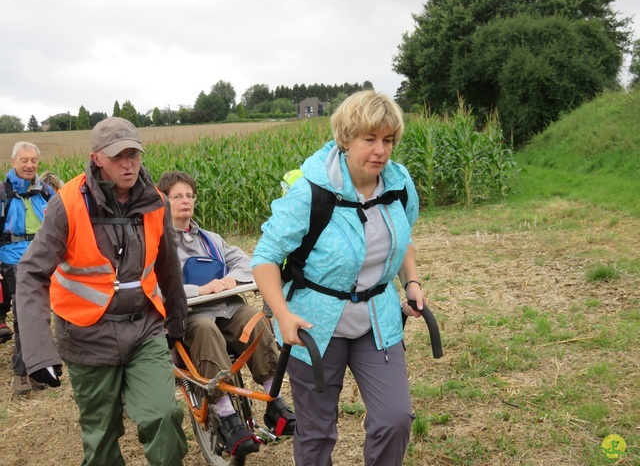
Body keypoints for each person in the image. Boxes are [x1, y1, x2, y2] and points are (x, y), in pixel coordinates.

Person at [251, 90, 425, 466]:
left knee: (394, 419)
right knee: (316, 432)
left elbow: (404, 237)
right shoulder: (311, 191)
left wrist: (411, 283)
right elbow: (264, 258)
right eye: (370, 139)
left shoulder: (398, 184)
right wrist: (282, 314)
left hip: (377, 320)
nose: (380, 150)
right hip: (314, 324)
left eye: (388, 140)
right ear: (345, 140)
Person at [15, 117, 189, 466]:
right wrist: (38, 354)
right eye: (117, 156)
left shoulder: (156, 202)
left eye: (134, 155)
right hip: (86, 337)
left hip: (144, 329)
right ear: (97, 158)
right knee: (101, 439)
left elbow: (167, 267)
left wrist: (178, 322)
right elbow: (31, 274)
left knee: (164, 415)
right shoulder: (67, 204)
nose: (128, 164)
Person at [156, 170, 295, 456]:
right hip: (189, 318)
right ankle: (227, 416)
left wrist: (232, 278)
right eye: (177, 196)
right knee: (205, 328)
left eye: (189, 196)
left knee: (254, 318)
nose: (185, 201)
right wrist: (199, 290)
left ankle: (274, 400)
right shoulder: (156, 244)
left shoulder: (212, 239)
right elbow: (155, 288)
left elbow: (250, 264)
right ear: (163, 202)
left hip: (227, 308)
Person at [0, 141, 55, 394]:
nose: (30, 165)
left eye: (33, 160)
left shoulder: (45, 191)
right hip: (13, 260)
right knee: (24, 316)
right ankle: (21, 373)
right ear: (13, 162)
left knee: (41, 315)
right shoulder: (3, 193)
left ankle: (36, 369)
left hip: (43, 259)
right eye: (24, 160)